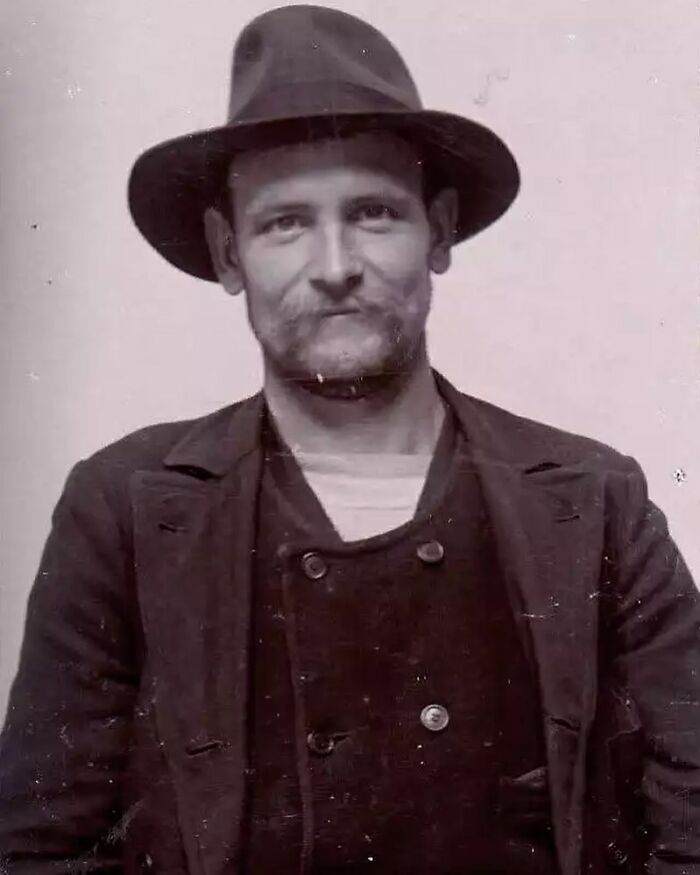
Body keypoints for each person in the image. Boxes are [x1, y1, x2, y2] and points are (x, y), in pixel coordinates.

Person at [1, 5, 698, 874]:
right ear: (228, 253)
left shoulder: (596, 499)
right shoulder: (122, 508)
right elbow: (39, 850)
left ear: (437, 232)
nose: (334, 265)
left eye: (373, 212)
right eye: (284, 222)